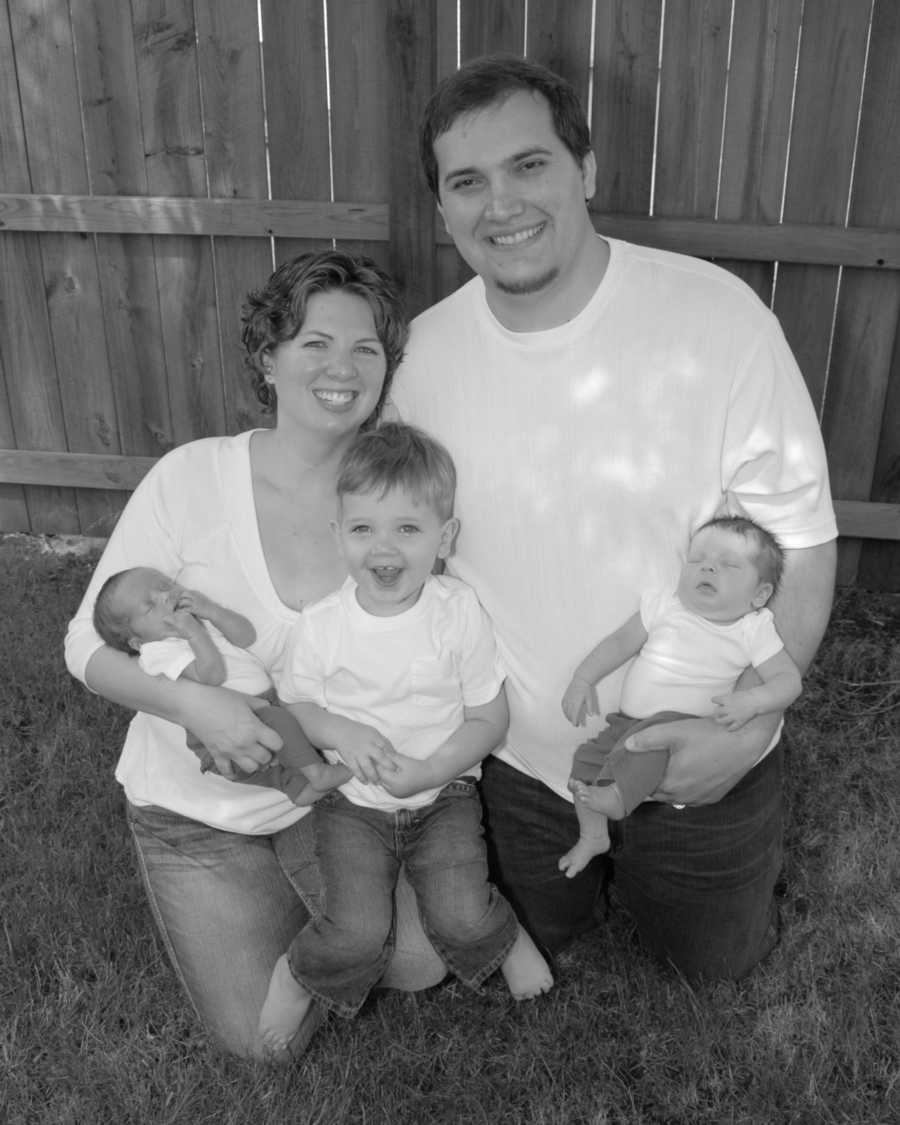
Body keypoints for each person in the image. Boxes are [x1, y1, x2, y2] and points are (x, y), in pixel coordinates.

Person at [390, 54, 837, 980]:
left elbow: (799, 537)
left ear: (586, 170)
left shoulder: (718, 320)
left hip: (696, 759)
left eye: (530, 165)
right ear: (442, 211)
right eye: (467, 182)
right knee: (528, 942)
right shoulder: (425, 356)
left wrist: (741, 734)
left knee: (714, 970)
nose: (501, 204)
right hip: (518, 768)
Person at [65, 250, 447, 1060]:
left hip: (333, 803)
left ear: (386, 369)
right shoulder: (190, 478)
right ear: (268, 357)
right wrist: (193, 702)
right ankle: (266, 908)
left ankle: (315, 907)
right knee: (266, 1048)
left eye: (365, 349)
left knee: (419, 963)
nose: (341, 367)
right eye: (314, 343)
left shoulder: (388, 500)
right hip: (193, 818)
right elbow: (81, 642)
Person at [258, 422, 553, 1053]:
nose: (383, 548)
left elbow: (487, 719)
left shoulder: (457, 613)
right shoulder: (324, 626)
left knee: (461, 911)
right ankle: (298, 971)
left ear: (444, 539)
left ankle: (506, 940)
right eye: (363, 528)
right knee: (357, 932)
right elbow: (297, 703)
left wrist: (430, 772)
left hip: (443, 798)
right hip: (353, 808)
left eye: (407, 529)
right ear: (338, 535)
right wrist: (339, 727)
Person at [559, 516, 803, 877]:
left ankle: (618, 798)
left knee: (650, 741)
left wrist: (752, 701)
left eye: (729, 565)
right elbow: (620, 644)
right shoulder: (665, 605)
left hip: (678, 730)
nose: (707, 566)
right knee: (584, 764)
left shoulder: (752, 630)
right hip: (624, 724)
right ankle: (593, 835)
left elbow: (788, 682)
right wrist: (583, 679)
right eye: (697, 559)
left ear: (759, 595)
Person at [92, 566, 351, 804]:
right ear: (137, 642)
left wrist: (212, 612)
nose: (165, 597)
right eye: (149, 606)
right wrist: (194, 633)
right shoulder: (158, 652)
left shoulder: (197, 622)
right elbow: (210, 676)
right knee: (282, 723)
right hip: (227, 728)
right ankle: (317, 773)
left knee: (287, 738)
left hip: (260, 707)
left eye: (165, 585)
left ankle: (300, 790)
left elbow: (246, 636)